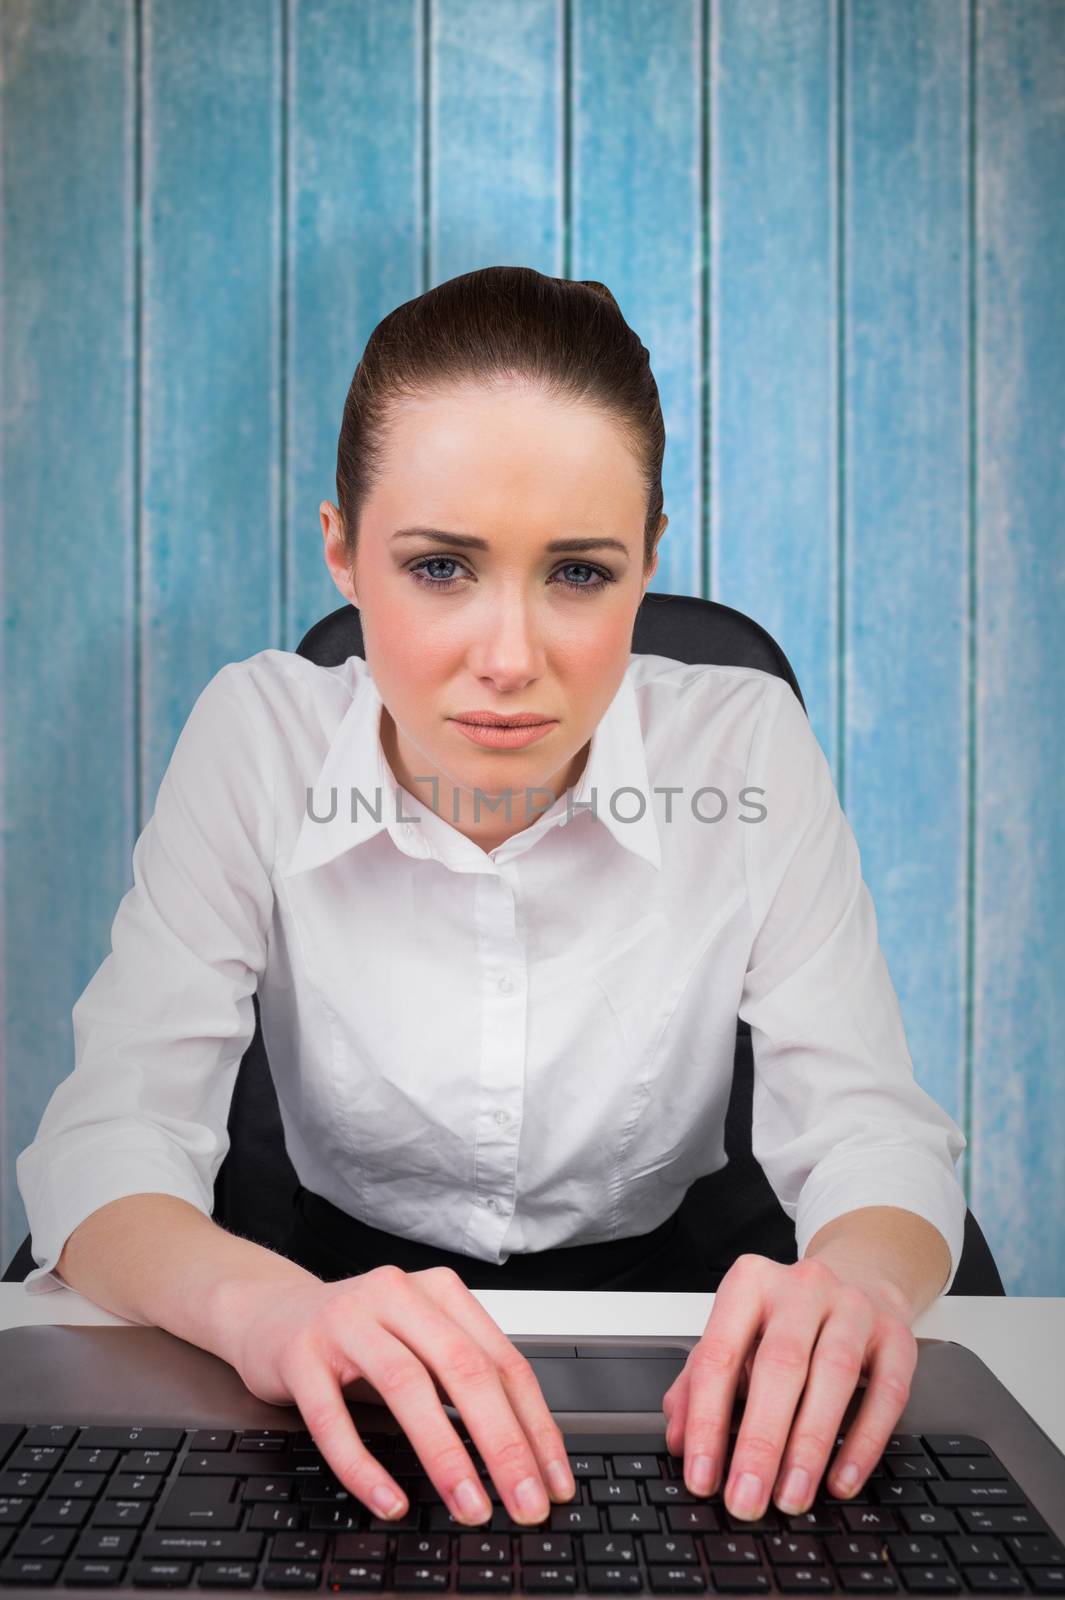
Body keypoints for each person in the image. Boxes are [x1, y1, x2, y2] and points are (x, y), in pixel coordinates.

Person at [17, 267, 968, 1535]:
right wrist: (269, 1311)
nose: (510, 658)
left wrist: (854, 1280)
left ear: (647, 565)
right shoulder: (255, 738)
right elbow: (105, 1142)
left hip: (672, 1321)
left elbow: (875, 1135)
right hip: (331, 1304)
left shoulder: (744, 746)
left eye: (578, 572)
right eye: (442, 567)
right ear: (344, 552)